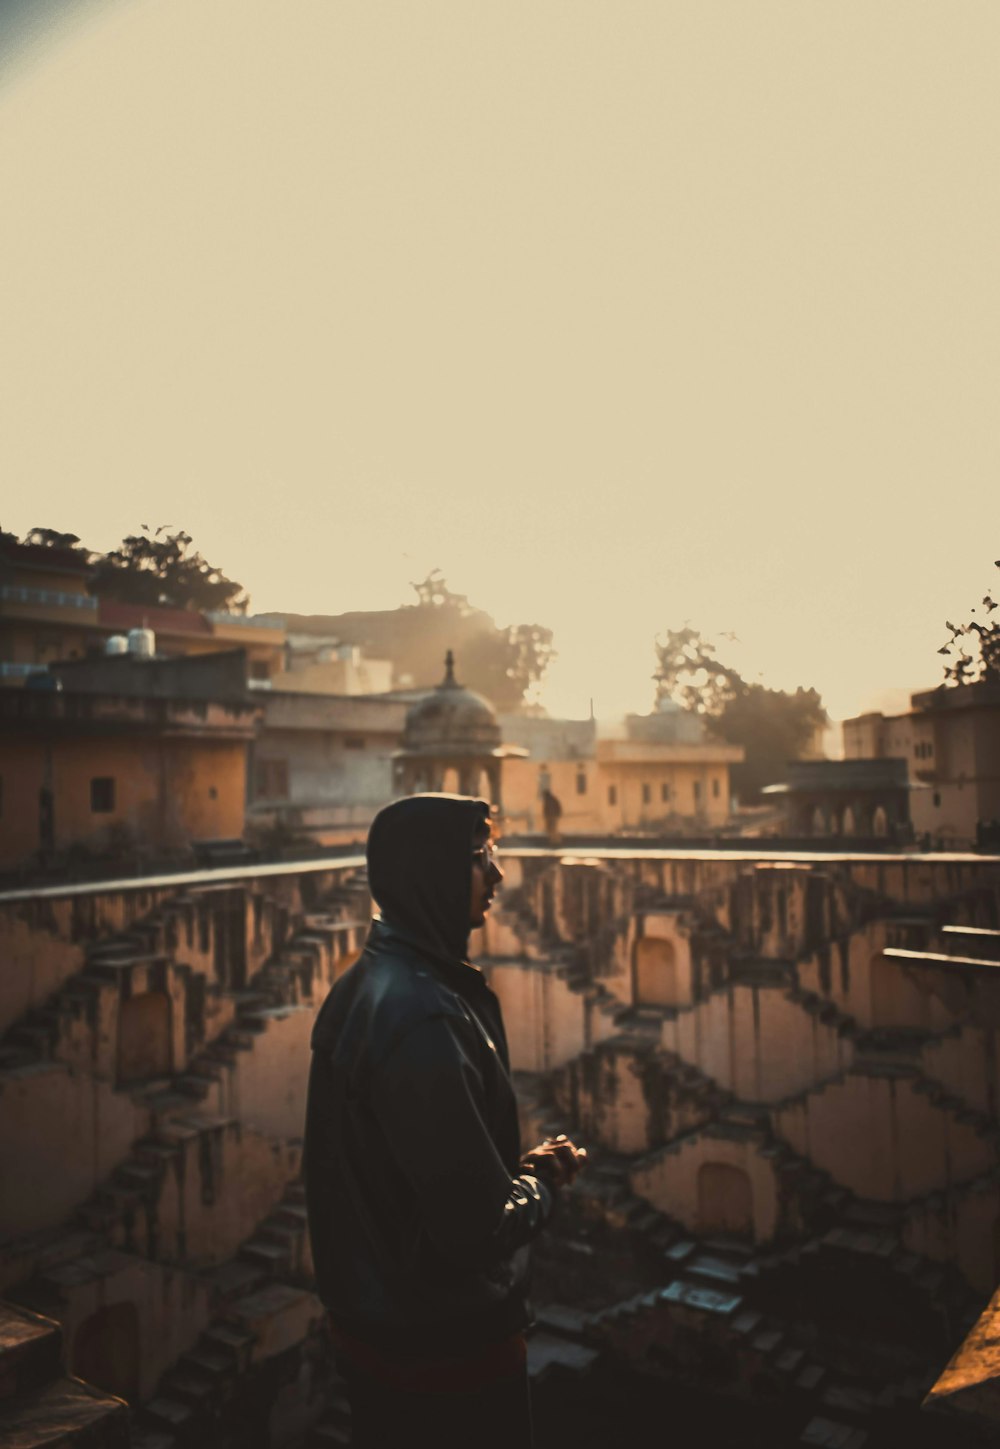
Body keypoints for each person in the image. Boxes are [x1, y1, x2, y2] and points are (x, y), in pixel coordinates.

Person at [303, 793, 585, 1448]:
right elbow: (476, 1229)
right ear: (430, 871)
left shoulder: (370, 985)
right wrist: (544, 1179)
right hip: (441, 1355)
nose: (498, 874)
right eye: (481, 856)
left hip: (382, 1334)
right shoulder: (421, 1015)